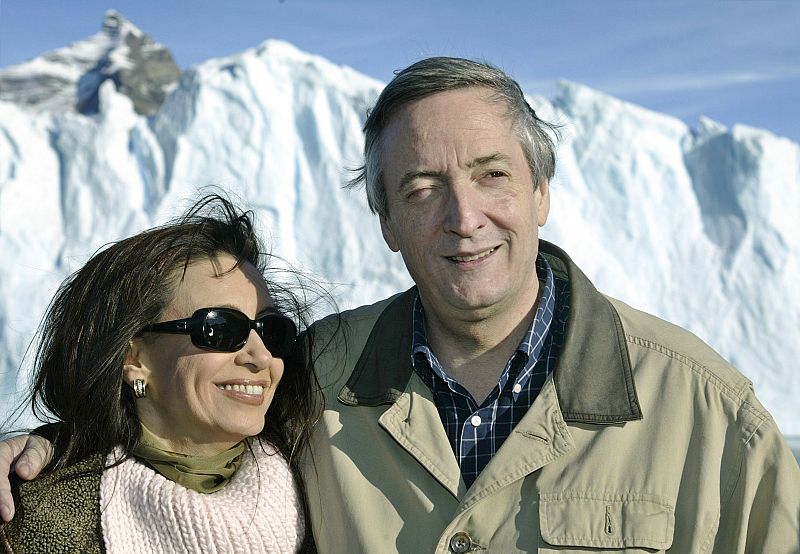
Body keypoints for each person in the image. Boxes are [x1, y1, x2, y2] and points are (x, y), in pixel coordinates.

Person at [3, 58, 799, 552]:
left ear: (541, 191)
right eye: (422, 189)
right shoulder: (312, 378)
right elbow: (181, 436)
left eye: (492, 174)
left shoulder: (706, 408)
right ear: (385, 221)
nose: (463, 217)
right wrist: (48, 449)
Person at [0, 195, 319, 553]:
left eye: (272, 330)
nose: (261, 355)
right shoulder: (42, 520)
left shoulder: (323, 477)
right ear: (134, 357)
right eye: (220, 328)